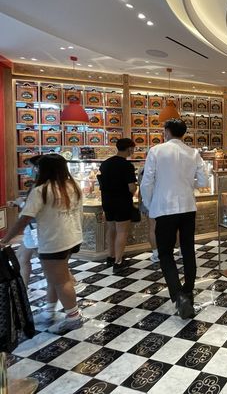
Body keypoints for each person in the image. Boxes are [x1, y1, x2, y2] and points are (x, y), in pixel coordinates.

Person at [2, 154, 84, 334]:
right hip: (72, 238)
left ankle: (73, 317)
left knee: (61, 281)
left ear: (43, 169)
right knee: (55, 278)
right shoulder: (73, 186)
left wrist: (5, 239)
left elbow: (24, 219)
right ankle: (49, 311)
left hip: (53, 241)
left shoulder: (41, 190)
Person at [141, 119, 208, 319]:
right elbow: (203, 180)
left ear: (167, 131)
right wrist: (187, 184)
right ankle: (188, 291)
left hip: (164, 208)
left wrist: (149, 204)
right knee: (187, 250)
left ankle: (179, 295)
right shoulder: (193, 152)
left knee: (165, 253)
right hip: (188, 207)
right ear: (183, 133)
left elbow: (147, 182)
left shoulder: (156, 151)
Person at [99, 138, 137, 274]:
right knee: (122, 231)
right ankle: (118, 262)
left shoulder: (105, 163)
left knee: (111, 229)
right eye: (133, 149)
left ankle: (111, 256)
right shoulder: (127, 166)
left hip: (107, 201)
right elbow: (131, 187)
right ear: (129, 148)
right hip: (122, 201)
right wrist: (134, 191)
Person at [8, 155, 42, 288]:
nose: (29, 169)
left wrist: (21, 203)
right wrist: (18, 203)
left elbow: (34, 210)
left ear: (37, 168)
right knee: (21, 257)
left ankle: (70, 282)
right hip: (33, 227)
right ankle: (23, 289)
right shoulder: (39, 185)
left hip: (34, 227)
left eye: (30, 166)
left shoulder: (39, 187)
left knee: (46, 262)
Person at [138, 166, 158, 264]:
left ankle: (156, 254)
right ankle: (180, 251)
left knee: (152, 228)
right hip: (163, 201)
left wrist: (140, 204)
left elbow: (141, 189)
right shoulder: (164, 166)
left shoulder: (142, 170)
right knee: (173, 227)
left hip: (148, 201)